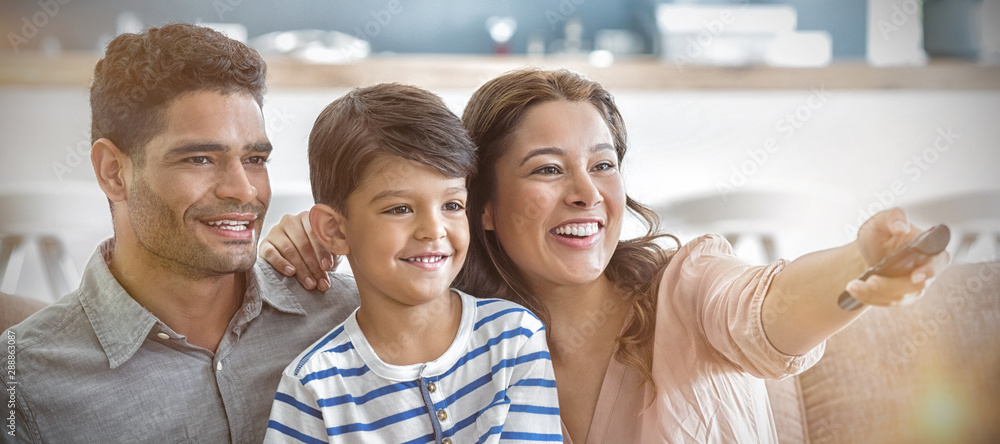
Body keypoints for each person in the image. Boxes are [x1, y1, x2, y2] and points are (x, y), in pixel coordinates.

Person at [259, 68, 950, 443]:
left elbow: (767, 306)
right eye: (547, 170)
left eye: (604, 164)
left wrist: (860, 264)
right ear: (485, 207)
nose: (588, 194)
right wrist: (300, 245)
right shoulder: (473, 339)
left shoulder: (689, 286)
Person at [2, 24, 359, 443]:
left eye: (255, 158)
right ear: (113, 172)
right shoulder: (23, 386)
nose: (244, 190)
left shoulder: (349, 316)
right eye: (201, 159)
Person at [263, 83, 562, 443]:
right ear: (335, 231)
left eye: (452, 205)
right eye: (400, 209)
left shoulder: (513, 338)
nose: (433, 230)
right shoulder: (313, 386)